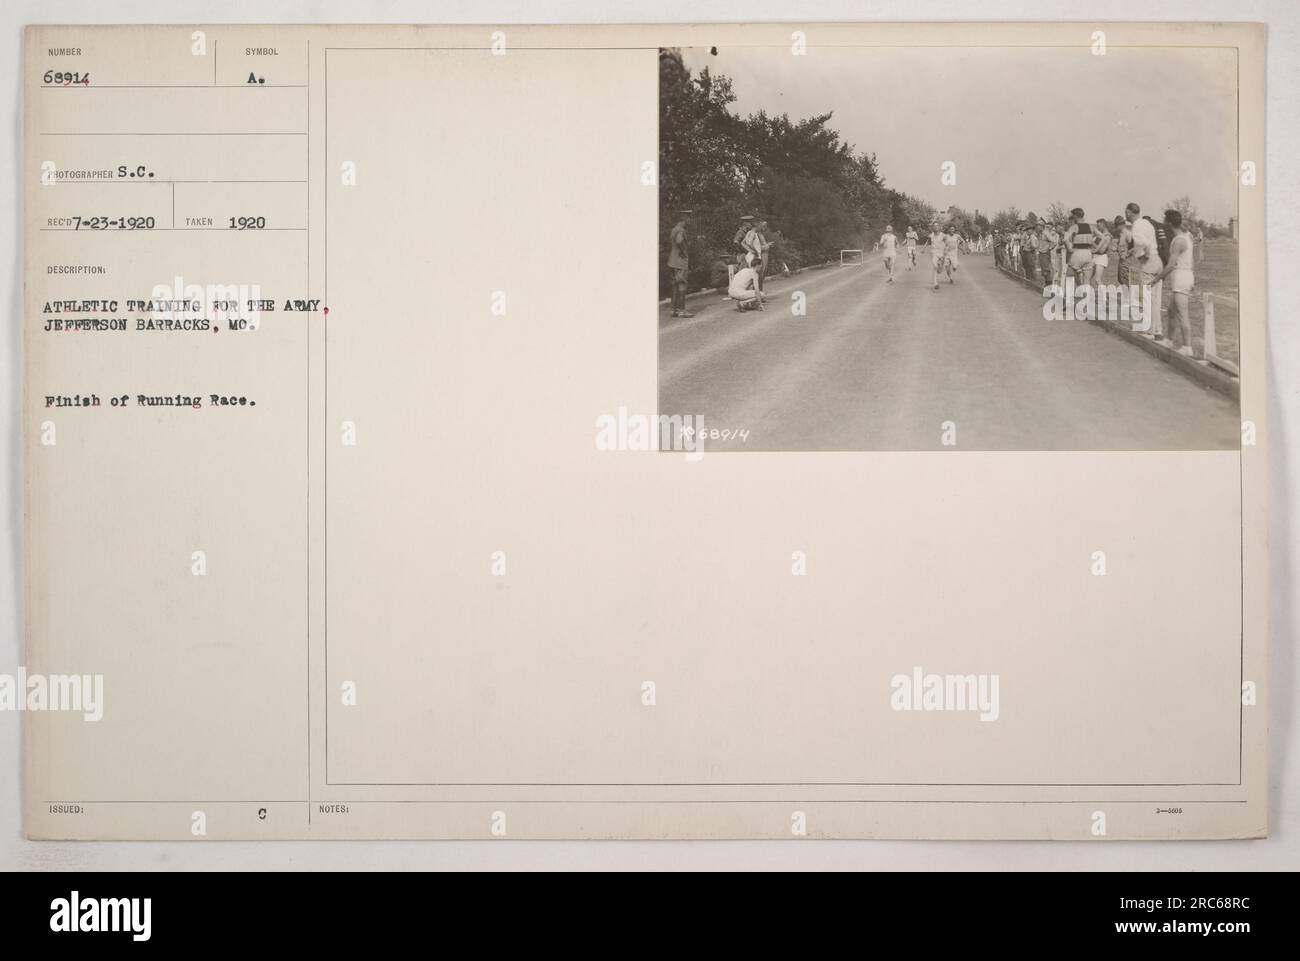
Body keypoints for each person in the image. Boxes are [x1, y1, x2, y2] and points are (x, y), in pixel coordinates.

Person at [1153, 209, 1195, 355]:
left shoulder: (1178, 241)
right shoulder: (1186, 237)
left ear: (1169, 223)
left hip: (1181, 277)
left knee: (1182, 314)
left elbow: (1171, 265)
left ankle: (1187, 347)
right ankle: (1169, 340)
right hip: (1184, 276)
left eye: (1165, 221)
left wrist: (1157, 279)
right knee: (1171, 311)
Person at [1125, 202, 1163, 336]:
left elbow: (1144, 243)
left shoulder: (1136, 226)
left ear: (1129, 212)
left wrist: (1144, 256)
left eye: (1126, 212)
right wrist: (1134, 251)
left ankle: (1149, 328)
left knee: (1148, 297)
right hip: (1157, 260)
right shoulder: (1147, 224)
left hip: (1149, 261)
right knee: (1156, 297)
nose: (1125, 215)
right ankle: (1157, 329)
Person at [667, 209, 693, 319]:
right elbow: (679, 241)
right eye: (688, 218)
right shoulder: (681, 230)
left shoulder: (674, 229)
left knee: (675, 286)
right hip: (680, 262)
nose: (689, 220)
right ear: (684, 218)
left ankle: (674, 310)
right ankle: (682, 310)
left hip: (672, 261)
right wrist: (683, 251)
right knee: (682, 285)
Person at [1062, 208, 1094, 286]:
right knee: (1087, 280)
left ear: (1076, 216)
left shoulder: (1074, 227)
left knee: (1069, 276)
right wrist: (1095, 249)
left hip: (1078, 252)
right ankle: (1087, 297)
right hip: (1088, 253)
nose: (1072, 218)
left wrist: (1069, 249)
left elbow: (1065, 239)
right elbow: (1103, 237)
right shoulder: (1091, 226)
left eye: (1072, 216)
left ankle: (1069, 297)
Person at [925, 223, 947, 290]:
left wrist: (945, 250)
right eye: (934, 226)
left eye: (937, 226)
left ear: (939, 227)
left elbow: (947, 243)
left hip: (941, 253)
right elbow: (928, 242)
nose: (936, 227)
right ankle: (935, 283)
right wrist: (923, 248)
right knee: (935, 266)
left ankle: (940, 268)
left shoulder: (943, 235)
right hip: (934, 252)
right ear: (933, 228)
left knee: (939, 271)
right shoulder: (930, 235)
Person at [1091, 219, 1113, 286]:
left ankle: (1104, 295)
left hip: (1101, 257)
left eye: (1099, 226)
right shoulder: (1099, 235)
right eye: (1097, 226)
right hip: (1094, 257)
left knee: (1097, 280)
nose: (1098, 228)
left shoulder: (1108, 236)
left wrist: (1092, 243)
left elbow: (1101, 250)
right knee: (1087, 277)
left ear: (1104, 225)